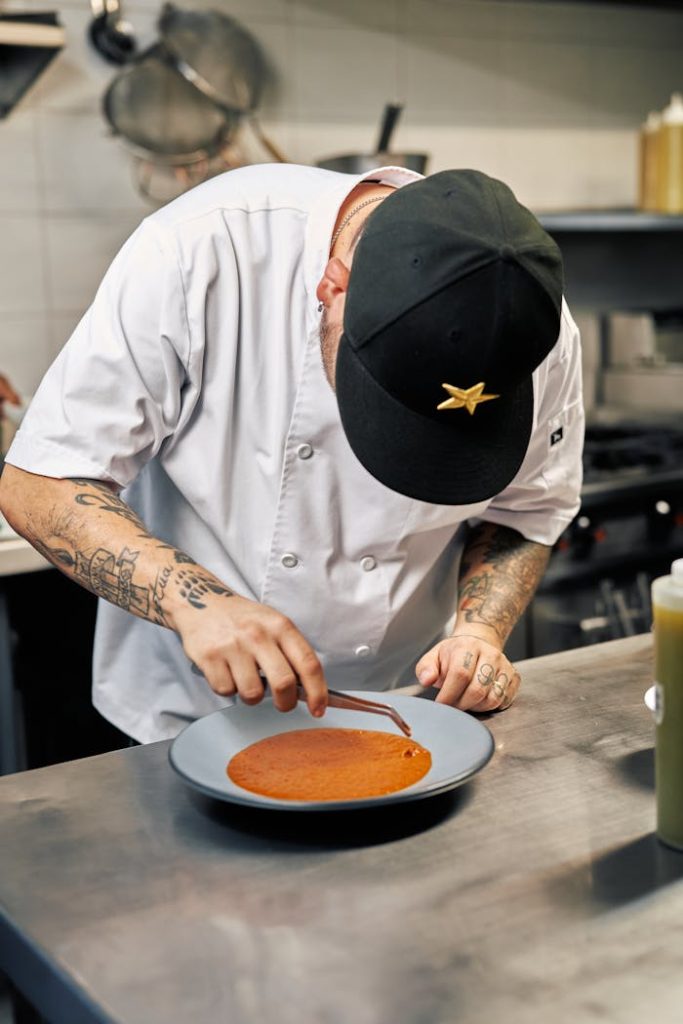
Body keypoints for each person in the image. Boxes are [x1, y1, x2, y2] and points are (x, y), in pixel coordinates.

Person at [0, 164, 584, 744]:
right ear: (332, 284)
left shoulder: (534, 327)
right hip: (189, 713)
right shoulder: (201, 248)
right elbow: (40, 481)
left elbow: (527, 511)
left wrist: (479, 632)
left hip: (407, 706)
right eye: (385, 400)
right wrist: (195, 603)